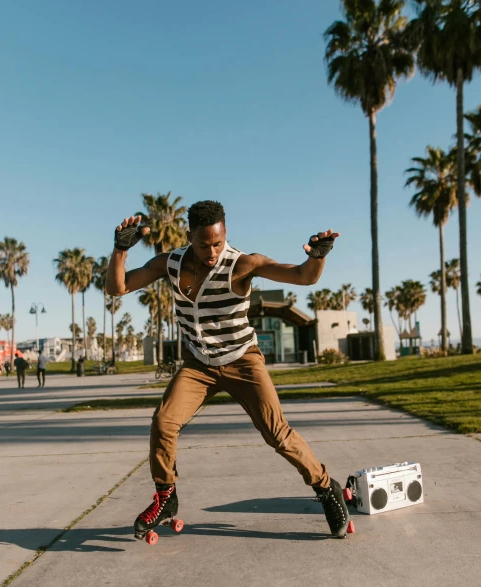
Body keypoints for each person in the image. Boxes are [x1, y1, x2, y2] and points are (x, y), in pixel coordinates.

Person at [106, 201, 351, 541]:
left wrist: (318, 256)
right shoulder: (171, 263)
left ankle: (327, 489)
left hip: (242, 360)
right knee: (164, 421)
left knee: (276, 433)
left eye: (218, 243)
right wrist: (120, 250)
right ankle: (166, 496)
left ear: (225, 235)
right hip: (199, 365)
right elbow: (117, 288)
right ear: (189, 236)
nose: (212, 251)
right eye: (204, 244)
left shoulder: (243, 264)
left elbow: (302, 276)